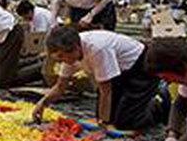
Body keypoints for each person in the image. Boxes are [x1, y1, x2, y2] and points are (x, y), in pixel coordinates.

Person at [32, 26, 164, 130]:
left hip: (140, 67)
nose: (61, 62)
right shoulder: (70, 55)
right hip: (118, 72)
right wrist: (42, 103)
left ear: (75, 48)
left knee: (125, 122)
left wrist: (103, 125)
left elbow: (106, 91)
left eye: (61, 57)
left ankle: (159, 103)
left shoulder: (97, 49)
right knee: (109, 116)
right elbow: (60, 86)